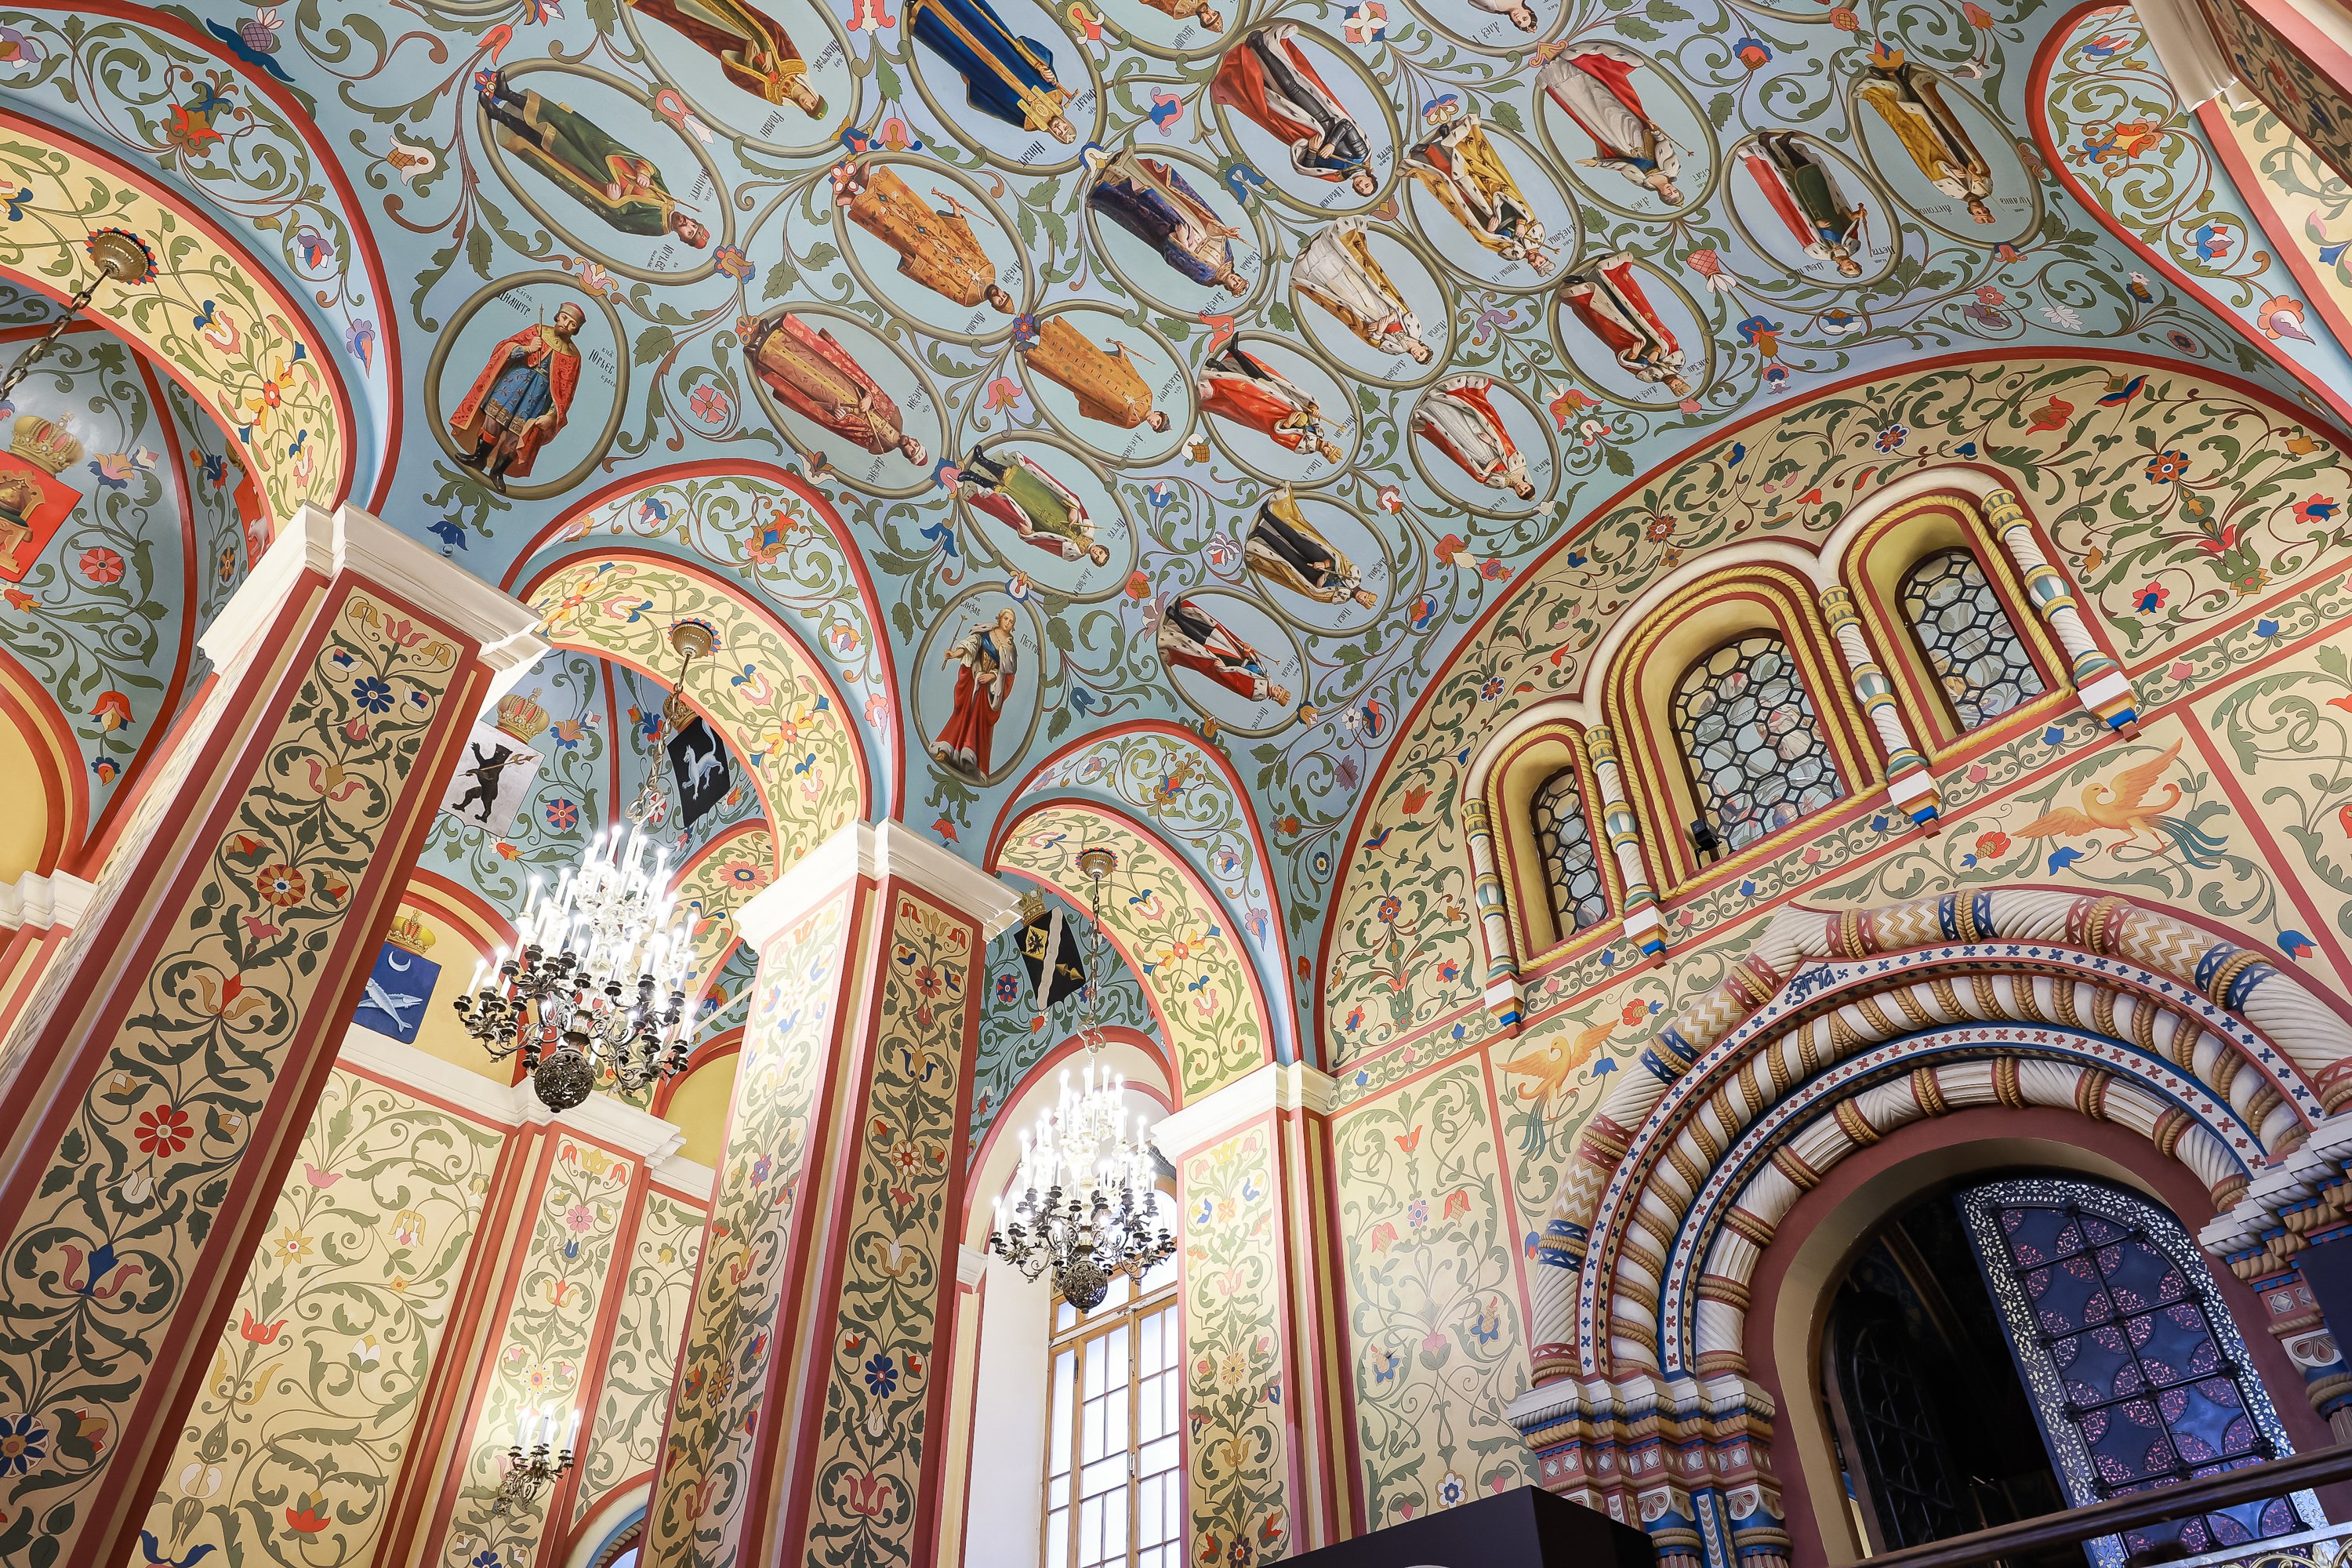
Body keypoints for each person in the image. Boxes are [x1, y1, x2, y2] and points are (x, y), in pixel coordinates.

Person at [479, 69, 712, 247]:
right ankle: (507, 94)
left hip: (595, 177)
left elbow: (621, 222)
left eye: (689, 232)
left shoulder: (657, 226)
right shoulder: (670, 202)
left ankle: (498, 114)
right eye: (693, 224)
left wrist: (614, 200)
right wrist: (643, 171)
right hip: (606, 156)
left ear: (682, 238)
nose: (688, 224)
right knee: (566, 123)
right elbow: (654, 171)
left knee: (551, 145)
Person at [1210, 24, 1377, 194]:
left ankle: (1247, 66)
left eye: (1360, 189)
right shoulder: (1361, 155)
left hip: (1300, 132)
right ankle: (1259, 45)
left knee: (1270, 101)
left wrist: (1312, 151)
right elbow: (1346, 125)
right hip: (1319, 118)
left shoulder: (1338, 176)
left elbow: (1308, 166)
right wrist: (1332, 144)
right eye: (1366, 185)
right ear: (1370, 178)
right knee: (1291, 87)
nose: (1361, 185)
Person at [746, 311, 927, 464]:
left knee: (802, 380)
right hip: (848, 385)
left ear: (906, 455)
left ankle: (762, 353)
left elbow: (848, 432)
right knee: (816, 360)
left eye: (912, 451)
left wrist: (842, 417)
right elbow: (874, 389)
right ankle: (772, 335)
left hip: (835, 401)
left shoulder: (878, 447)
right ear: (916, 440)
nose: (911, 445)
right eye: (915, 445)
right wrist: (868, 398)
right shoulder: (897, 417)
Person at [835, 162, 1012, 311]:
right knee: (908, 207)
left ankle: (852, 200)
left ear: (994, 305)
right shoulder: (989, 270)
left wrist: (917, 265)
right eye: (1004, 295)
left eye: (1000, 301)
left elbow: (940, 284)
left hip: (926, 254)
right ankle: (866, 181)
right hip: (940, 232)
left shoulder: (969, 299)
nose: (999, 295)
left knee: (893, 226)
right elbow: (972, 243)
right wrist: (958, 217)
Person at [449, 302, 586, 493]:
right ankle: (479, 458)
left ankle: (497, 472)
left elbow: (566, 392)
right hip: (513, 383)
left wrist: (552, 415)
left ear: (576, 330)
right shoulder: (538, 331)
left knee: (518, 434)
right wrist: (528, 349)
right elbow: (503, 349)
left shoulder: (573, 356)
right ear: (557, 316)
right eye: (564, 318)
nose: (565, 324)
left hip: (538, 398)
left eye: (572, 324)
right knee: (493, 421)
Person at [1856, 49, 1995, 224]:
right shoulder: (1985, 189)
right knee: (1931, 111)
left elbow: (1929, 168)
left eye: (1978, 213)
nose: (1979, 209)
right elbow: (1983, 167)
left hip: (1933, 146)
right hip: (1956, 146)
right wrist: (1975, 172)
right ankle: (1904, 80)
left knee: (1909, 119)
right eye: (1984, 211)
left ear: (1971, 213)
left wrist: (1949, 170)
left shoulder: (1952, 192)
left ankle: (1884, 81)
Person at [1537, 42, 1685, 205]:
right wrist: (1656, 133)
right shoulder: (1672, 169)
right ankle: (1574, 69)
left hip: (1616, 143)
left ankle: (1558, 76)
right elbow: (1665, 146)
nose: (1671, 190)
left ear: (1663, 196)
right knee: (1607, 104)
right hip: (1637, 135)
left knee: (1589, 113)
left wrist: (1599, 162)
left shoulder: (1643, 182)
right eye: (1675, 191)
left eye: (1669, 194)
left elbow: (1622, 165)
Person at [908, 0, 1077, 143]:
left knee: (956, 45)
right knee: (975, 22)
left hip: (984, 73)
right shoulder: (1055, 92)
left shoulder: (1027, 123)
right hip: (1002, 49)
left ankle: (923, 15)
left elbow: (996, 108)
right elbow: (1038, 52)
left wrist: (975, 86)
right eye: (1065, 128)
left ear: (1055, 136)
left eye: (1060, 134)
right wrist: (1043, 66)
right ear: (1067, 122)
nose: (1060, 129)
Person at [1084, 147, 1247, 292]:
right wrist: (1220, 230)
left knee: (1143, 205)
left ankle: (1109, 184)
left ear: (1228, 287)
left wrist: (1182, 240)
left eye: (1235, 285)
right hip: (1189, 221)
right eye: (1239, 280)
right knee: (1156, 193)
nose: (1235, 281)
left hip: (1173, 231)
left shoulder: (1205, 277)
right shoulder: (1228, 255)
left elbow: (1175, 260)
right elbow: (1210, 229)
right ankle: (1122, 167)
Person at [626, 0, 826, 115]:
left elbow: (742, 79)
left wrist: (748, 59)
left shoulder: (776, 97)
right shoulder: (797, 68)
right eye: (812, 102)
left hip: (725, 40)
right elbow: (777, 31)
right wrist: (768, 53)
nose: (807, 103)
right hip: (744, 22)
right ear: (814, 95)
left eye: (808, 108)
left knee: (686, 16)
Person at [1406, 112, 1547, 267]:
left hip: (1481, 213)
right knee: (1472, 167)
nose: (1535, 262)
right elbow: (1523, 208)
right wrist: (1521, 222)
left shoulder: (1513, 255)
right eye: (1540, 262)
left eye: (1535, 266)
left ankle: (1429, 152)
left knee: (1452, 185)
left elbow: (1488, 242)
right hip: (1494, 197)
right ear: (1544, 256)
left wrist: (1491, 232)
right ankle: (1449, 139)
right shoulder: (1537, 235)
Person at [1292, 218, 1431, 363]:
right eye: (1421, 353)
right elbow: (1401, 310)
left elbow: (1375, 342)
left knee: (1343, 292)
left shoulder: (1396, 350)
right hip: (1382, 305)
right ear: (1425, 347)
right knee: (1354, 280)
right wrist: (1388, 320)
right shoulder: (1416, 330)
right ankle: (1324, 249)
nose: (1416, 354)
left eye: (1417, 358)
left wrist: (1379, 330)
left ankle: (1309, 265)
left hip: (1368, 315)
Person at [1559, 253, 1690, 397]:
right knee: (1622, 297)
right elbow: (1669, 341)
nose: (1673, 384)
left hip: (1627, 337)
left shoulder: (1650, 377)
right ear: (1681, 379)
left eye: (1674, 387)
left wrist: (1634, 354)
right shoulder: (1676, 362)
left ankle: (1581, 285)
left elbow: (1629, 364)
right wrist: (1657, 351)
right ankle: (1608, 271)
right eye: (1677, 384)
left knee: (1603, 313)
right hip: (1643, 324)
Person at [1742, 131, 1867, 276]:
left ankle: (1765, 146)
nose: (1851, 265)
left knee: (1782, 175)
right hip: (1823, 203)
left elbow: (1802, 231)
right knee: (1809, 171)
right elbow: (1846, 222)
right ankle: (1785, 145)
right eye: (1855, 266)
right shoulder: (1852, 245)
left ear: (1841, 269)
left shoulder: (1818, 253)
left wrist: (1816, 226)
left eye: (1849, 269)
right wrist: (1856, 215)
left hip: (1803, 208)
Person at [957, 447, 1109, 565]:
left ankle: (974, 478)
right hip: (1047, 502)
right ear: (1101, 548)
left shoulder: (1072, 555)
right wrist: (1074, 509)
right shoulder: (1090, 528)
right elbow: (1076, 502)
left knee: (1007, 498)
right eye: (1100, 553)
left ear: (1093, 560)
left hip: (1038, 520)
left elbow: (1047, 545)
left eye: (1097, 558)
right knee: (1017, 481)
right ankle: (983, 461)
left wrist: (1028, 535)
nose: (1097, 554)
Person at [1196, 343, 1343, 461]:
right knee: (1262, 377)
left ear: (1324, 454)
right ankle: (1235, 353)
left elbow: (1277, 437)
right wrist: (1314, 409)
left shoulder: (1303, 447)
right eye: (1332, 446)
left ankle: (1219, 369)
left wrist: (1288, 423)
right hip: (1285, 401)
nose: (1329, 446)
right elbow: (1311, 410)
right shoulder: (1320, 432)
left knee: (1244, 391)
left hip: (1271, 413)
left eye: (1329, 450)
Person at [1022, 318, 1171, 431]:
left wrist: (1089, 405)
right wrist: (1122, 354)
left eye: (1154, 426)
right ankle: (1040, 330)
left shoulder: (1130, 423)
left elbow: (1106, 416)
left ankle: (1033, 350)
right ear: (1158, 413)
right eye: (1157, 421)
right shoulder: (1147, 395)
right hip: (1102, 368)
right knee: (1076, 350)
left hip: (1093, 388)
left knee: (1066, 370)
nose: (1153, 423)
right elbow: (1131, 373)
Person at [1246, 490, 1375, 608]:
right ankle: (1268, 515)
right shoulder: (1356, 576)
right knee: (1297, 540)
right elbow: (1339, 559)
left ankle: (1262, 533)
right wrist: (1324, 564)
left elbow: (1319, 594)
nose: (1361, 598)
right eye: (1365, 597)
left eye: (1362, 601)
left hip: (1314, 575)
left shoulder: (1342, 599)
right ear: (1367, 592)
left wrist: (1320, 583)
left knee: (1289, 557)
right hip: (1323, 559)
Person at [1414, 376, 1534, 498]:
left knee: (1454, 432)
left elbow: (1482, 478)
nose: (1521, 488)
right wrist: (1491, 442)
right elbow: (1507, 445)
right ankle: (1438, 399)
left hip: (1476, 456)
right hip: (1487, 442)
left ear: (1517, 493)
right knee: (1465, 420)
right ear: (1528, 484)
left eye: (1521, 492)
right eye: (1525, 488)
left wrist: (1486, 470)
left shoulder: (1500, 484)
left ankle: (1429, 409)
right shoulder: (1520, 465)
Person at [933, 607, 1018, 775]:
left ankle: (969, 758)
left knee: (978, 724)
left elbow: (1008, 674)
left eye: (1011, 622)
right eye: (1006, 619)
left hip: (988, 691)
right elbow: (970, 645)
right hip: (974, 679)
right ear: (999, 618)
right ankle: (946, 750)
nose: (1008, 623)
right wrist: (954, 654)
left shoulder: (1010, 647)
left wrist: (992, 676)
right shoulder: (986, 631)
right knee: (962, 715)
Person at [1159, 596, 1290, 705]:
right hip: (1236, 654)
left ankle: (1175, 617)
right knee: (1211, 632)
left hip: (1229, 663)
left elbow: (1235, 682)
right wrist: (1247, 651)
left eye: (1278, 694)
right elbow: (1251, 662)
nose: (1277, 691)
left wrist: (1223, 668)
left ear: (1275, 699)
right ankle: (1181, 614)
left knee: (1203, 640)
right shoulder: (1267, 677)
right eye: (1280, 690)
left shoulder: (1258, 693)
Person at [1137, 0, 1223, 29]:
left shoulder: (1179, 12)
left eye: (1208, 19)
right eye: (1214, 13)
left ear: (1202, 21)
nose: (1208, 13)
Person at [1471, 0, 1537, 27]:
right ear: (1528, 11)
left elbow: (1471, 2)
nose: (1518, 18)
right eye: (1524, 18)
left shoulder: (1495, 10)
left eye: (1518, 22)